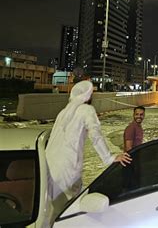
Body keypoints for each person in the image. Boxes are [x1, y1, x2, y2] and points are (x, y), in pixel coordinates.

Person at [45, 81, 131, 223]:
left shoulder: (63, 112)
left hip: (49, 165)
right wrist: (109, 158)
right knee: (65, 211)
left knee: (49, 207)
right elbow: (95, 135)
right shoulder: (86, 110)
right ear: (88, 96)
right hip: (68, 165)